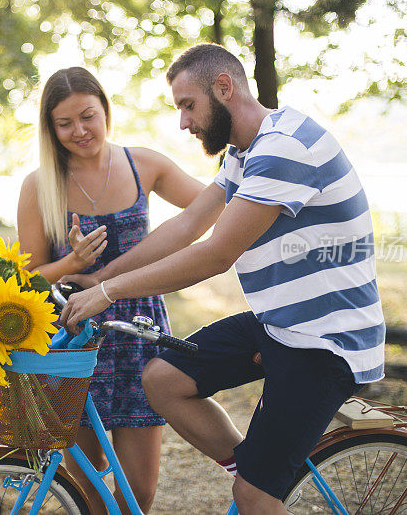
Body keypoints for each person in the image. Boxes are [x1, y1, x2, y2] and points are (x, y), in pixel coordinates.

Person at [60, 44, 385, 515]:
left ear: (224, 88)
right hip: (277, 324)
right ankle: (259, 472)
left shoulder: (284, 147)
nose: (183, 122)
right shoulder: (243, 152)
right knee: (163, 379)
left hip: (324, 340)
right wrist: (101, 278)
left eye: (187, 105)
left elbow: (216, 253)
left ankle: (259, 489)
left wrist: (110, 293)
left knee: (252, 497)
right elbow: (188, 224)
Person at [16, 66, 203, 513]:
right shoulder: (38, 185)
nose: (79, 131)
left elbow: (210, 206)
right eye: (64, 123)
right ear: (50, 128)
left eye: (88, 116)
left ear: (105, 110)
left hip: (138, 329)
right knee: (90, 491)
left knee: (139, 492)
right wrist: (71, 263)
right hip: (73, 337)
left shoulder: (145, 165)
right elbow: (23, 280)